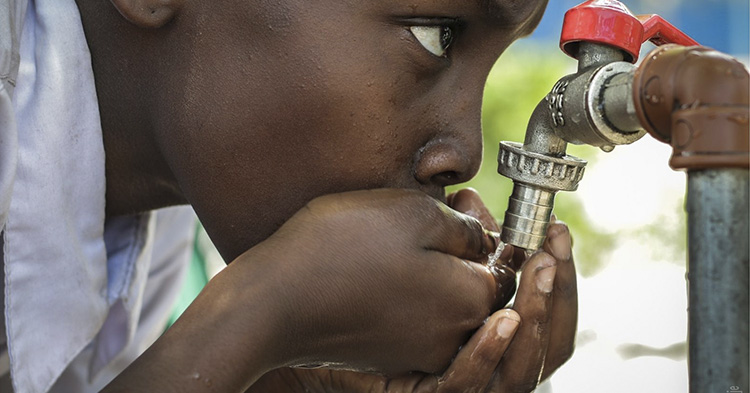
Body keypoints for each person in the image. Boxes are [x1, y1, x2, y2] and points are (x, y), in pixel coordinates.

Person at [0, 0, 578, 391]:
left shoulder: (153, 224)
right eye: (436, 35)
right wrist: (258, 317)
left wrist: (272, 372)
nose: (465, 152)